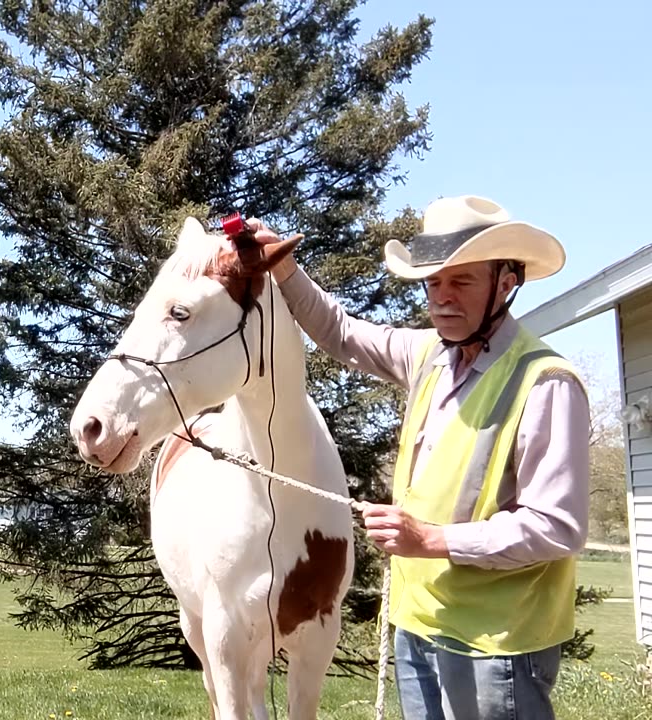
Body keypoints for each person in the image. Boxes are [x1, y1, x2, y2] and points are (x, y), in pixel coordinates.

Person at [252, 195, 590, 720]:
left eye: (462, 282)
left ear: (506, 282)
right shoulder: (430, 355)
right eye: (433, 283)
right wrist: (287, 269)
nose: (442, 299)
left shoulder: (545, 382)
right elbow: (341, 333)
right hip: (419, 627)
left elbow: (557, 527)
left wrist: (431, 540)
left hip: (496, 645)